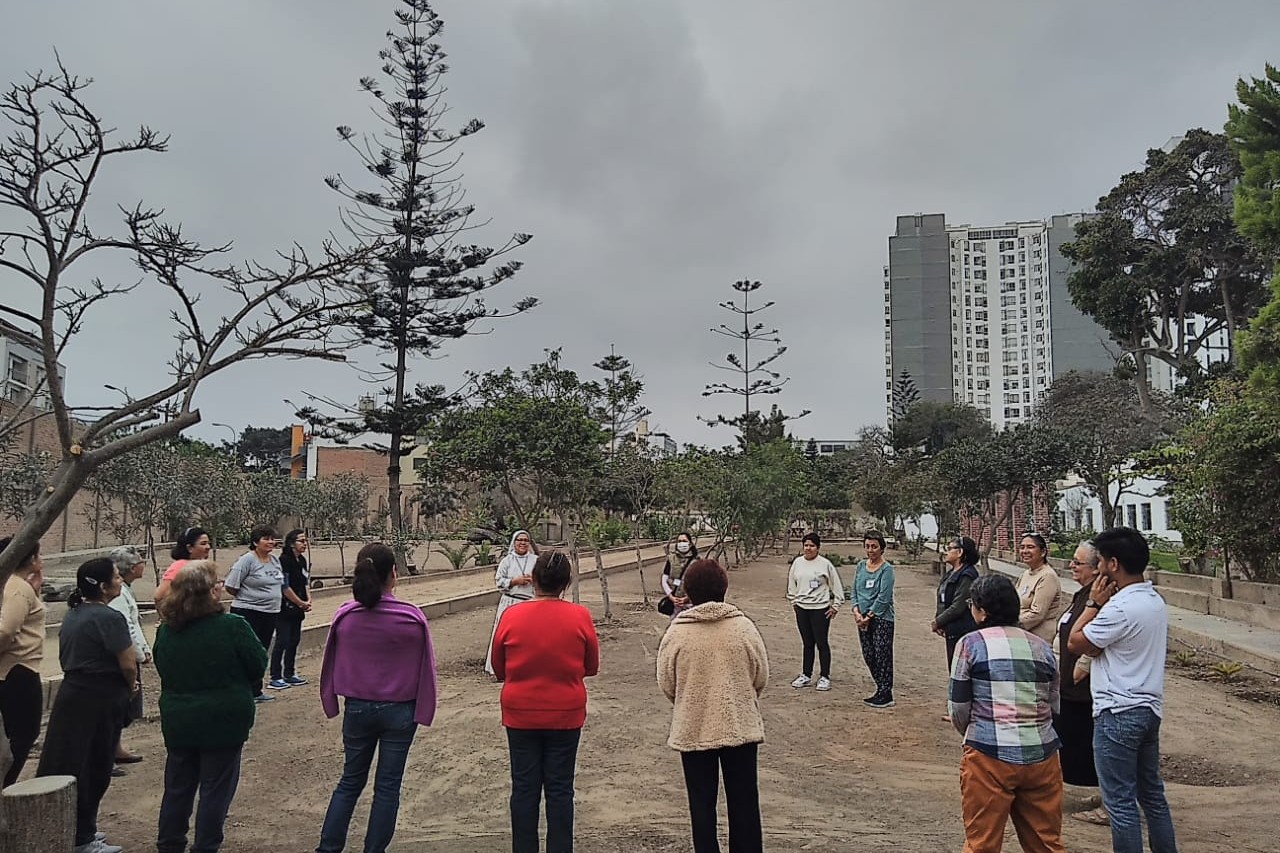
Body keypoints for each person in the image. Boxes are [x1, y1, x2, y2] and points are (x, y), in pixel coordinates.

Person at [317, 542, 438, 853]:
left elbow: (330, 662)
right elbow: (428, 669)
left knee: (349, 781)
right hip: (400, 713)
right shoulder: (411, 618)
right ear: (393, 574)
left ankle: (328, 848)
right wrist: (424, 711)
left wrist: (331, 702)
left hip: (357, 709)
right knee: (387, 787)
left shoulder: (345, 617)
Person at [1068, 527, 1178, 853]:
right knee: (1152, 796)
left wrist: (1092, 603)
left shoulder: (1118, 608)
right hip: (1148, 709)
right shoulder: (1153, 601)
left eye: (1099, 562)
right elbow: (1099, 648)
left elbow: (1076, 641)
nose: (1097, 569)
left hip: (1117, 712)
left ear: (1113, 564)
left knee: (1120, 803)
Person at [153, 560, 267, 853]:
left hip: (180, 721)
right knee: (215, 790)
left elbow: (163, 667)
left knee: (177, 788)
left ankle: (169, 844)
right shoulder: (232, 627)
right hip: (224, 722)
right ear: (209, 592)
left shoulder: (166, 632)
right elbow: (258, 664)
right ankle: (205, 847)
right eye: (217, 582)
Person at [492, 550, 600, 853]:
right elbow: (591, 666)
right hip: (565, 714)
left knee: (524, 789)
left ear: (534, 579)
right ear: (566, 583)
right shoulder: (580, 616)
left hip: (520, 714)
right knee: (561, 789)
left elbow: (499, 667)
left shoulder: (511, 616)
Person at [657, 559, 768, 853]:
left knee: (701, 805)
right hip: (739, 726)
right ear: (724, 588)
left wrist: (689, 701)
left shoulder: (677, 633)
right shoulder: (743, 628)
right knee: (744, 801)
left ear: (689, 591)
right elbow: (760, 676)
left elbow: (667, 682)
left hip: (693, 727)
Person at [949, 574, 1065, 853]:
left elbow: (958, 707)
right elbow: (1054, 703)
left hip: (989, 755)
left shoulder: (970, 644)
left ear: (982, 610)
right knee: (1046, 843)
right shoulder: (1041, 647)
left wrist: (975, 731)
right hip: (1042, 755)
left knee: (982, 844)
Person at [36, 557, 136, 853]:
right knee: (96, 764)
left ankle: (78, 829)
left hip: (72, 693)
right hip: (100, 696)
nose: (121, 581)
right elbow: (128, 664)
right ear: (104, 587)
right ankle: (83, 837)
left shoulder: (74, 613)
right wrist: (130, 688)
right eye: (117, 578)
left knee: (69, 761)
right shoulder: (110, 618)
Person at [1054, 541, 1107, 825]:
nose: (1072, 566)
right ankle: (1105, 794)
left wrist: (1077, 673)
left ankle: (1109, 799)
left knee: (1089, 746)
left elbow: (1093, 641)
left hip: (1083, 689)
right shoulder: (1082, 595)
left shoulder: (1102, 599)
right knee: (1075, 745)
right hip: (1067, 686)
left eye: (1078, 562)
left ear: (1098, 568)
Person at [0, 535, 45, 786]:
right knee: (23, 733)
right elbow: (7, 630)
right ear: (29, 558)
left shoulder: (15, 585)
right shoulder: (18, 587)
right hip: (18, 669)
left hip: (14, 669)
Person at [224, 525, 284, 702]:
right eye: (266, 538)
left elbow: (280, 582)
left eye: (272, 538)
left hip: (270, 612)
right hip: (248, 611)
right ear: (255, 541)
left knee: (261, 652)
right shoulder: (247, 560)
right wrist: (249, 598)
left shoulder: (274, 561)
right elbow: (231, 585)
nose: (270, 542)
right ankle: (242, 691)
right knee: (246, 651)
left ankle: (256, 690)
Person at [108, 546, 151, 769]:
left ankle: (116, 749)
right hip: (122, 657)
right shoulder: (118, 594)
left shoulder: (125, 590)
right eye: (142, 561)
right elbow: (125, 627)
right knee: (118, 706)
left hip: (129, 653)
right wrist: (140, 653)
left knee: (124, 707)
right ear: (134, 567)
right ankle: (107, 755)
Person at [785, 533, 843, 691]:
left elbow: (836, 585)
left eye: (811, 545)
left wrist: (835, 605)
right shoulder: (797, 563)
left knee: (821, 643)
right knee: (807, 643)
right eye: (806, 545)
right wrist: (794, 601)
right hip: (802, 609)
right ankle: (806, 674)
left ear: (818, 547)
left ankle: (824, 676)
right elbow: (792, 584)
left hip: (820, 610)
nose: (808, 548)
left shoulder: (825, 564)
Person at [932, 535, 981, 719]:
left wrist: (938, 621)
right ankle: (956, 707)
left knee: (963, 671)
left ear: (960, 552)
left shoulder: (968, 575)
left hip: (963, 629)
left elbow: (959, 605)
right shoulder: (951, 573)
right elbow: (943, 598)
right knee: (954, 669)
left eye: (950, 548)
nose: (946, 551)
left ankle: (964, 710)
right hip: (951, 629)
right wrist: (940, 619)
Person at [851, 531, 896, 709]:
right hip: (861, 618)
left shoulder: (887, 570)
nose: (871, 550)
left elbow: (884, 598)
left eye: (874, 546)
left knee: (882, 655)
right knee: (869, 654)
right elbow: (854, 590)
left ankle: (886, 692)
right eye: (868, 546)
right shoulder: (861, 566)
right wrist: (856, 612)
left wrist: (869, 616)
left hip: (881, 619)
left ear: (882, 548)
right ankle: (880, 687)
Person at [485, 530, 538, 676]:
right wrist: (514, 581)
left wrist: (534, 580)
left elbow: (543, 578)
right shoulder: (507, 561)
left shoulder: (535, 560)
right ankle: (501, 667)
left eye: (525, 540)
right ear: (514, 542)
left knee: (527, 636)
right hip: (510, 602)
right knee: (505, 635)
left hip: (529, 603)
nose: (522, 543)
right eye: (519, 540)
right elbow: (499, 582)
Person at [269, 528, 313, 690]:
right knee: (283, 640)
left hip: (297, 608)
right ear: (291, 543)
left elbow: (305, 581)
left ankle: (290, 672)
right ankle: (275, 675)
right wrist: (299, 602)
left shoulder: (301, 560)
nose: (304, 544)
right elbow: (284, 586)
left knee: (294, 640)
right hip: (284, 608)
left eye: (305, 540)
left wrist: (307, 599)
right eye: (301, 541)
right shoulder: (284, 561)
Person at [1016, 534, 1067, 642]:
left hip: (1039, 638)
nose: (1025, 551)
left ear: (1043, 552)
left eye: (1030, 547)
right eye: (1022, 547)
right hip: (1023, 635)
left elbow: (1037, 614)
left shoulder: (1047, 576)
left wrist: (1012, 625)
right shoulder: (1025, 574)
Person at [154, 527, 213, 606]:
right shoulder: (180, 566)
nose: (208, 547)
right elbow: (159, 596)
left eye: (208, 543)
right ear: (189, 548)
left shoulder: (202, 565)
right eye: (203, 543)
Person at [659, 532, 698, 618]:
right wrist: (671, 596)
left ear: (690, 543)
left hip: (691, 604)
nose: (681, 543)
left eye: (684, 541)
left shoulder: (697, 561)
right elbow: (664, 579)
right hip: (675, 603)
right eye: (679, 541)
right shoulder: (671, 559)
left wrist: (687, 598)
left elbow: (701, 583)